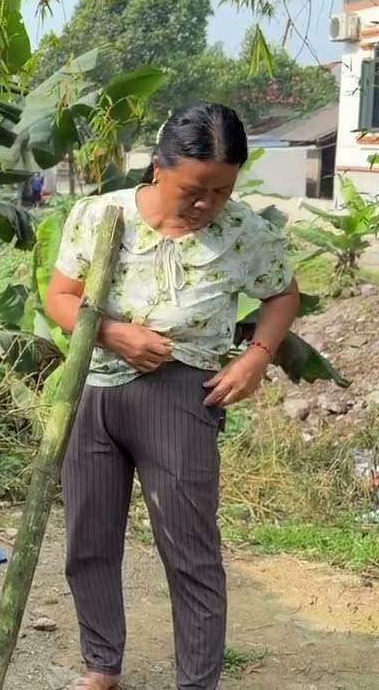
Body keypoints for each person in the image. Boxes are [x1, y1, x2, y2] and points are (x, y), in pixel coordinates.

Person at [43, 103, 299, 690]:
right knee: (89, 538)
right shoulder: (100, 215)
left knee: (189, 548)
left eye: (222, 190)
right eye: (193, 190)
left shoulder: (244, 233)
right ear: (158, 168)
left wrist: (256, 357)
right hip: (94, 390)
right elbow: (61, 296)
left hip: (181, 399)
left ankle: (197, 682)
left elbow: (283, 293)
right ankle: (101, 664)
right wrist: (112, 333)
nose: (207, 204)